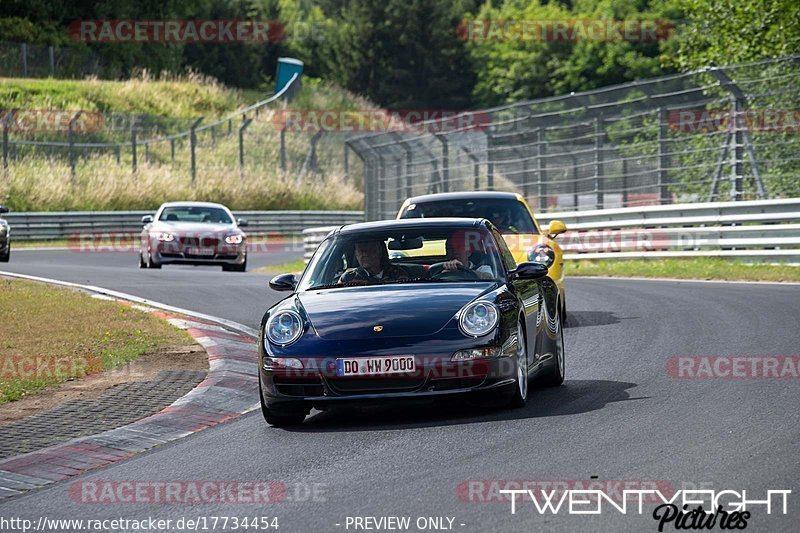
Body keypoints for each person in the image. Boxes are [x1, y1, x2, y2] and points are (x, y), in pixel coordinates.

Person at [337, 239, 410, 285]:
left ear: (379, 251)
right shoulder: (348, 278)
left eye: (369, 250)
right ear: (356, 254)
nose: (364, 254)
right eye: (360, 251)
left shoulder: (396, 273)